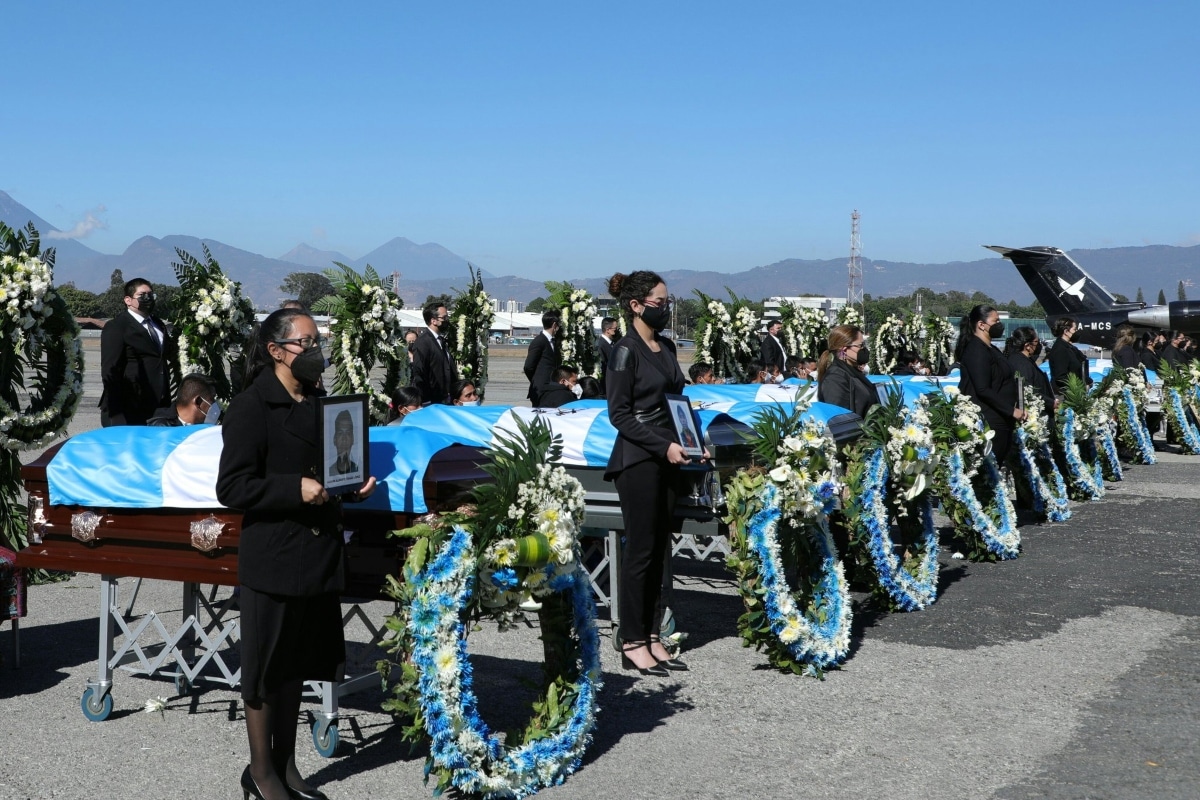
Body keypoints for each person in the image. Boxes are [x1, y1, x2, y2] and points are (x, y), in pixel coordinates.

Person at [216, 308, 375, 800]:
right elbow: (233, 486)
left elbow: (329, 469)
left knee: (296, 667)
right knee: (267, 670)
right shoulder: (251, 407)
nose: (316, 351)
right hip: (276, 555)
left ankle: (286, 768)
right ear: (276, 350)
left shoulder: (320, 403)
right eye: (306, 343)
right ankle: (261, 773)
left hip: (316, 555)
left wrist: (352, 488)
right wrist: (293, 489)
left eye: (317, 341)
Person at [605, 270, 691, 676]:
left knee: (660, 550)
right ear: (636, 306)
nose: (666, 307)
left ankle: (654, 635)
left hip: (671, 457)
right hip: (639, 460)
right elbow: (619, 415)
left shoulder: (667, 347)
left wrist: (690, 441)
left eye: (668, 300)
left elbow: (676, 401)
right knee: (639, 551)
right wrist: (663, 444)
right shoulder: (625, 351)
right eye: (659, 302)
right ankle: (632, 640)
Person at [99, 277, 175, 426]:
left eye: (151, 295)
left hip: (159, 406)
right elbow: (110, 370)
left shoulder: (158, 324)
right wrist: (116, 414)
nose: (148, 298)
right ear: (128, 300)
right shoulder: (117, 326)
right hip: (130, 407)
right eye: (142, 295)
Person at [956, 305, 1024, 465]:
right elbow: (982, 388)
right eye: (996, 321)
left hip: (1002, 419)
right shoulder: (976, 350)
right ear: (981, 325)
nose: (999, 325)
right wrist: (1011, 410)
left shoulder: (991, 348)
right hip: (991, 419)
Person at [816, 325, 878, 419]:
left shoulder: (851, 371)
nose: (864, 349)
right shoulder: (835, 378)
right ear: (844, 350)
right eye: (861, 345)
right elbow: (840, 418)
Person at [411, 303, 456, 405]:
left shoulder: (441, 340)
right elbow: (419, 372)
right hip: (432, 401)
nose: (447, 320)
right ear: (433, 320)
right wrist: (426, 400)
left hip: (445, 400)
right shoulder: (423, 342)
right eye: (444, 317)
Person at [1004, 326, 1055, 416]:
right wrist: (1050, 402)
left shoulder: (1024, 359)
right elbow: (1028, 390)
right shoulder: (1021, 363)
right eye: (1036, 342)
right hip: (1031, 413)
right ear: (1027, 345)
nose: (1038, 345)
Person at [147, 373, 219, 427]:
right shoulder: (161, 428)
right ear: (198, 402)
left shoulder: (205, 427)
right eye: (212, 399)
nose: (215, 404)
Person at [524, 311, 561, 406]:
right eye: (559, 324)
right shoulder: (539, 341)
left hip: (552, 389)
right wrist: (538, 380)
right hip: (541, 390)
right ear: (554, 325)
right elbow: (528, 367)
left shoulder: (554, 341)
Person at [1048, 316, 1092, 396]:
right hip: (1066, 394)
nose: (1076, 332)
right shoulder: (1060, 349)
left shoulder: (1069, 347)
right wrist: (1078, 386)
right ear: (1066, 331)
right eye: (1074, 329)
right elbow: (1061, 376)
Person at [328, 410, 360, 477]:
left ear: (353, 439)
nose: (344, 439)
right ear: (334, 440)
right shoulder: (328, 474)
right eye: (340, 433)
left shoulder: (359, 472)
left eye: (348, 433)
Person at [596, 316, 618, 392]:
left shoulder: (612, 343)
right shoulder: (601, 345)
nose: (617, 331)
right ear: (607, 330)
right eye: (615, 329)